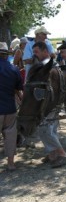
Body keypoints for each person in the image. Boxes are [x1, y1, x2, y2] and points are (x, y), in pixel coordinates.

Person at [32, 41, 66, 168]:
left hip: (50, 103)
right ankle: (53, 155)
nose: (35, 54)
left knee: (44, 128)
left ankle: (62, 154)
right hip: (51, 103)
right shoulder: (48, 64)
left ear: (45, 51)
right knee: (50, 129)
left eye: (37, 52)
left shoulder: (49, 66)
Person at [0, 42, 23, 171]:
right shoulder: (14, 69)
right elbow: (18, 89)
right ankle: (10, 164)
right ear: (6, 55)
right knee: (10, 136)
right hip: (10, 108)